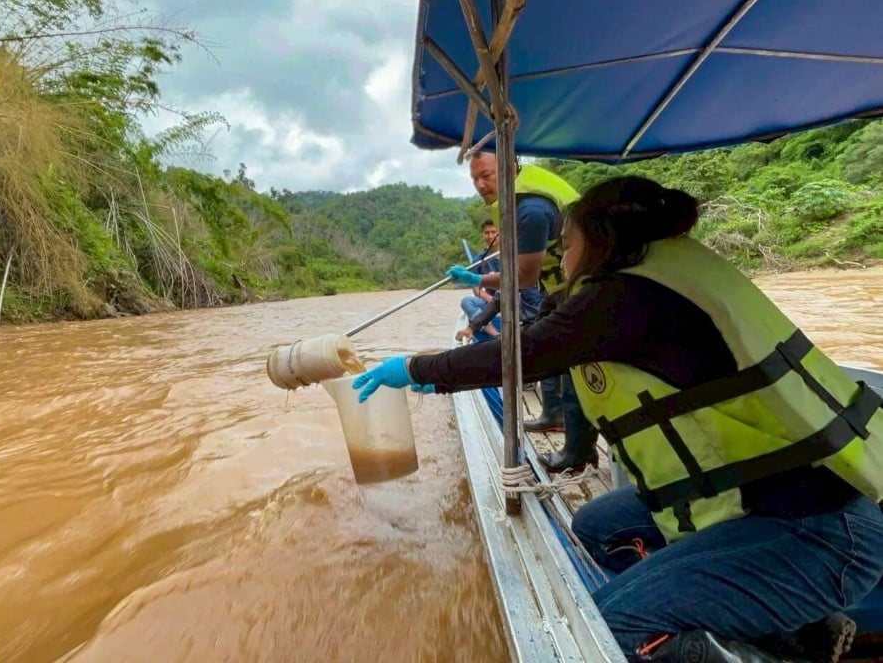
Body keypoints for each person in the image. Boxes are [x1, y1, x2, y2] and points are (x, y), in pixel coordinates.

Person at [352, 176, 883, 662]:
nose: (562, 257)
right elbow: (550, 322)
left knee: (604, 632)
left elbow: (527, 351)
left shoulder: (629, 297)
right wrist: (472, 312)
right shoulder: (658, 272)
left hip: (817, 530)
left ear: (601, 239)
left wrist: (416, 369)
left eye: (567, 244)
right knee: (598, 526)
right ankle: (801, 631)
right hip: (777, 492)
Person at [449, 151, 595, 470]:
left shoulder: (530, 210)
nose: (480, 184)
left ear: (509, 167)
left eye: (486, 175)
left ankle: (578, 452)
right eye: (474, 178)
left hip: (587, 286)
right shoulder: (516, 204)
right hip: (560, 288)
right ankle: (553, 414)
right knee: (550, 349)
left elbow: (522, 277)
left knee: (573, 366)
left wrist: (476, 279)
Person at [459, 219, 501, 338]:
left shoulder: (513, 255)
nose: (490, 236)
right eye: (487, 233)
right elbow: (476, 289)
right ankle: (495, 334)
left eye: (494, 232)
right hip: (490, 301)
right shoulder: (479, 260)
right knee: (467, 301)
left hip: (513, 300)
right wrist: (492, 300)